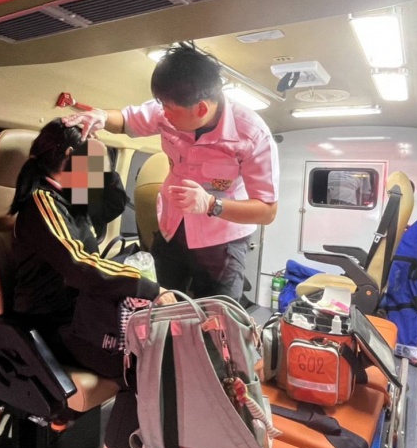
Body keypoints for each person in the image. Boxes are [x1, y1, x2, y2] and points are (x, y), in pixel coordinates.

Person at [9, 119, 173, 448]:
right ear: (70, 157)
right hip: (50, 324)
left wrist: (100, 160)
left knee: (160, 344)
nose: (95, 166)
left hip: (82, 311)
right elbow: (80, 265)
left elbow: (113, 205)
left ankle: (145, 439)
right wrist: (148, 288)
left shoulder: (72, 196)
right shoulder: (42, 204)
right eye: (88, 158)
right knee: (142, 364)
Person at [64, 45, 279, 301]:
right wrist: (100, 117)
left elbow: (267, 211)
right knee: (155, 305)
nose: (162, 114)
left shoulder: (252, 134)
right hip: (172, 229)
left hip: (221, 242)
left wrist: (212, 204)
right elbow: (125, 120)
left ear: (200, 109)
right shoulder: (169, 110)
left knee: (216, 316)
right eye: (162, 105)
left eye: (169, 109)